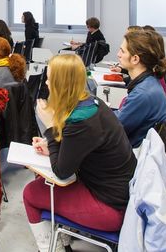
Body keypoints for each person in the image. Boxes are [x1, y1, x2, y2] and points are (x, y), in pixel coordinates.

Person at [23, 54, 136, 251]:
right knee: (42, 183)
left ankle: (53, 248)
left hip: (109, 207)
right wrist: (51, 143)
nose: (47, 83)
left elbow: (62, 171)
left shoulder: (81, 122)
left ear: (61, 84)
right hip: (118, 193)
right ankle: (62, 240)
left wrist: (50, 129)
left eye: (50, 78)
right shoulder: (92, 103)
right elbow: (80, 147)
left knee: (30, 193)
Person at [113, 30, 166, 148]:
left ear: (135, 59)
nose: (118, 54)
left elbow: (114, 129)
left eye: (122, 51)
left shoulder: (143, 94)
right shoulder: (149, 82)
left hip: (131, 154)